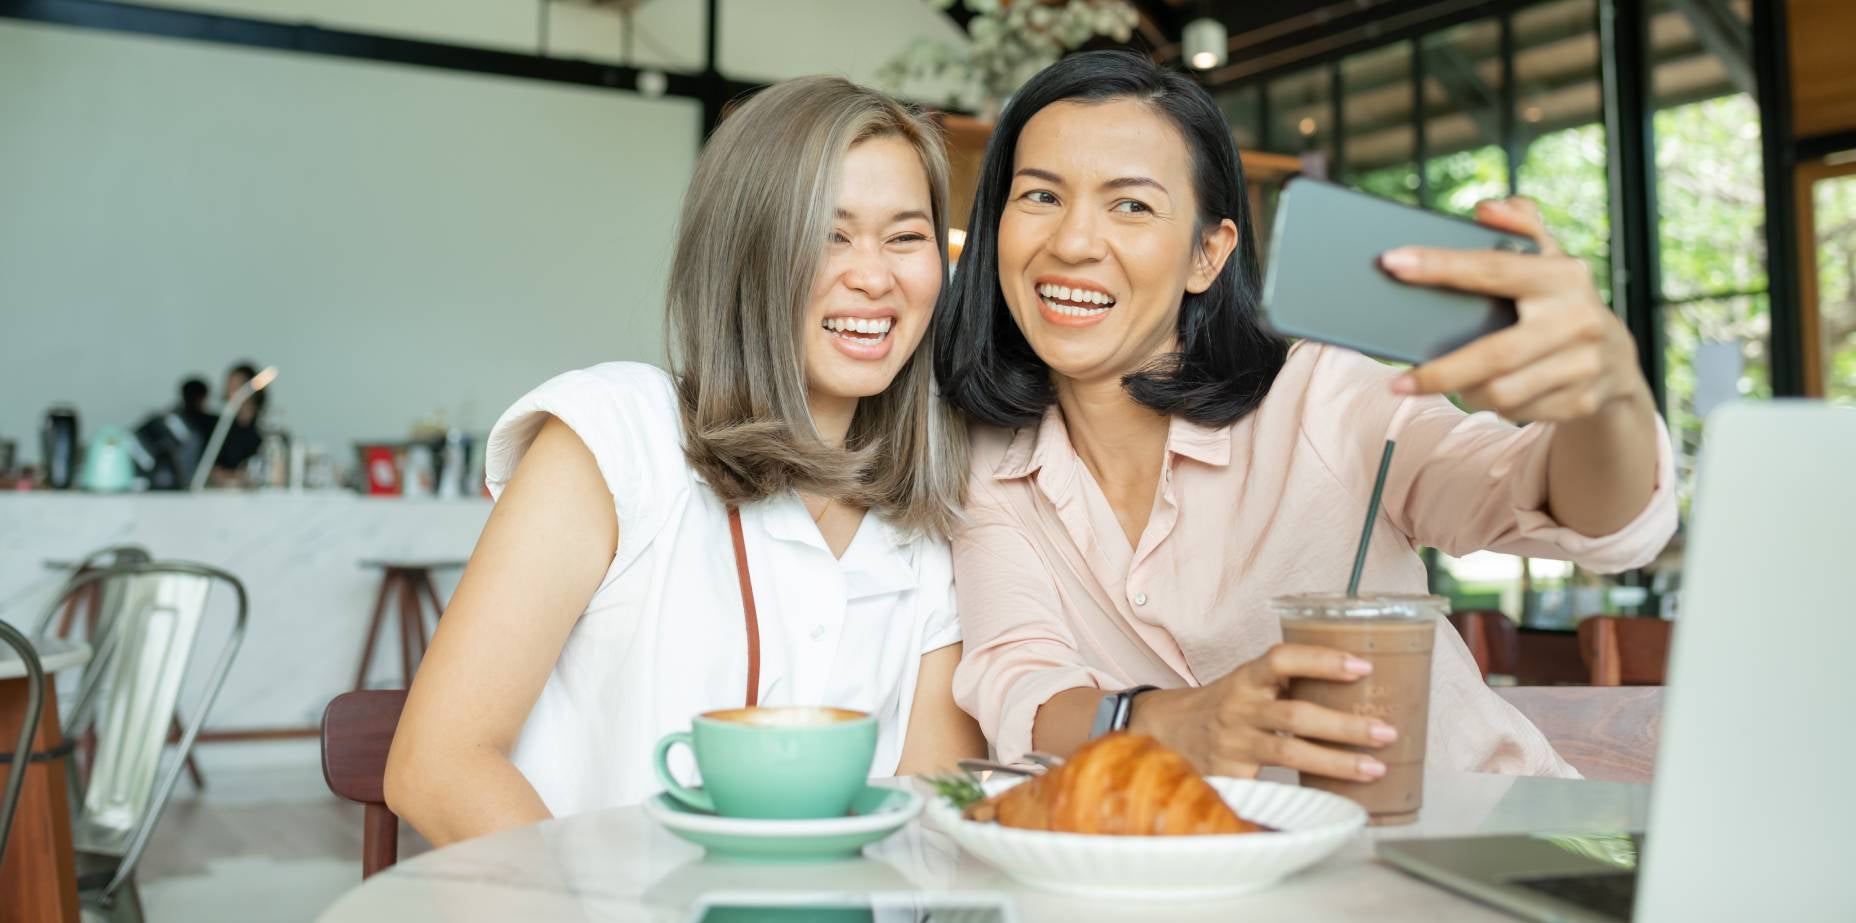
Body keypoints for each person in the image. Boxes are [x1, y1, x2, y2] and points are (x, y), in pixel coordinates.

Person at [933, 51, 1677, 782]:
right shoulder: (986, 466)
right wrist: (1163, 724)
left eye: (1131, 204)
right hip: (1243, 885)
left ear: (1207, 255)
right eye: (1039, 196)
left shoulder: (1322, 397)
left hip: (1477, 849)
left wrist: (1603, 403)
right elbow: (1021, 690)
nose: (1072, 242)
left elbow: (1578, 514)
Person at [385, 76, 986, 844]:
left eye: (906, 237)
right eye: (828, 234)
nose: (874, 276)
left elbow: (923, 824)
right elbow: (438, 766)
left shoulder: (932, 516)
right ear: (745, 253)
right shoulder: (616, 436)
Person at [134, 376, 215, 489]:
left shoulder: (163, 418)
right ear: (202, 398)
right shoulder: (195, 430)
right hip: (166, 485)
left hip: (139, 480)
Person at [211, 360, 266, 478]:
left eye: (237, 386)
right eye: (229, 386)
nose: (231, 392)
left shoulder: (265, 428)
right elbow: (211, 468)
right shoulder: (220, 427)